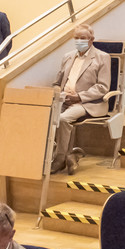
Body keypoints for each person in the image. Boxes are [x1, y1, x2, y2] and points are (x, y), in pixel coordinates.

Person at [50, 24, 110, 174]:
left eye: (82, 38)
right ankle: (60, 155)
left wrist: (79, 96)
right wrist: (59, 93)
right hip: (64, 100)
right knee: (45, 116)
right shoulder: (68, 57)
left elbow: (103, 87)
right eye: (76, 38)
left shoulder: (102, 57)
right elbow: (57, 83)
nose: (79, 41)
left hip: (87, 103)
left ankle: (60, 159)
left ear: (91, 39)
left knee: (63, 119)